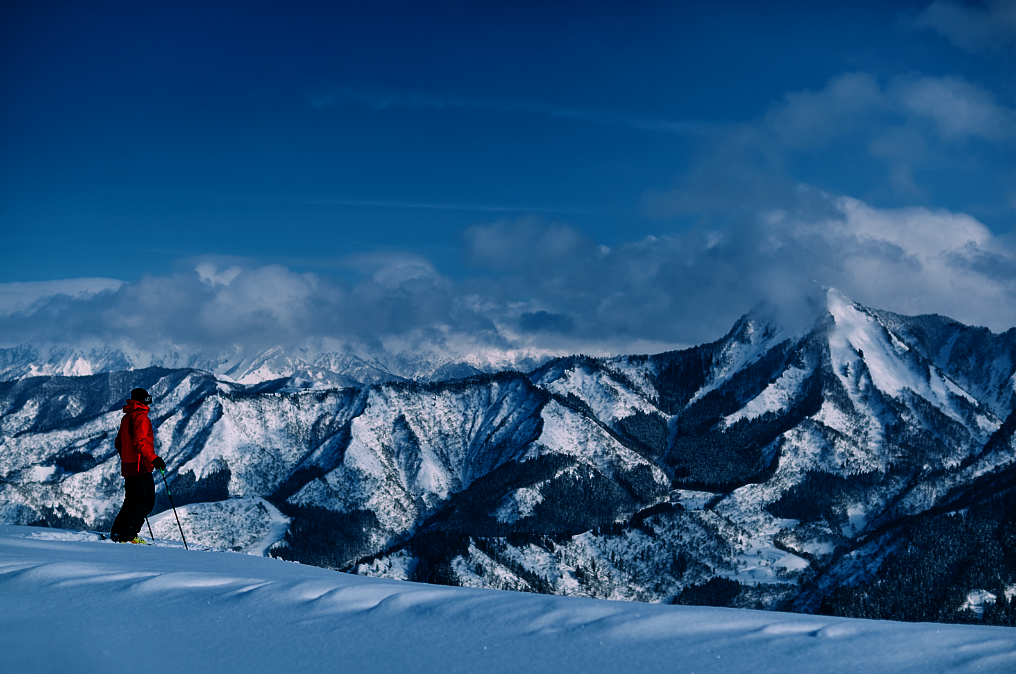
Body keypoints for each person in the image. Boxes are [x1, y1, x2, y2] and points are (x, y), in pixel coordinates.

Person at [109, 388, 166, 543]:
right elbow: (141, 442)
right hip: (140, 466)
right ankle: (128, 536)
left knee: (131, 501)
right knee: (145, 502)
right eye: (148, 399)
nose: (149, 402)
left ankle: (117, 532)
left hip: (129, 466)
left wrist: (127, 458)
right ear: (144, 400)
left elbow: (118, 443)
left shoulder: (127, 417)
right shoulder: (140, 417)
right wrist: (154, 459)